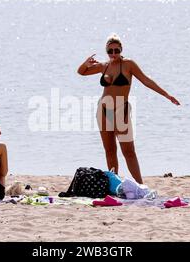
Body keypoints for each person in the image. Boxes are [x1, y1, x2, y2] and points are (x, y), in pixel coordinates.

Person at [77, 34, 180, 184]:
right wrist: (86, 63)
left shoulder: (128, 64)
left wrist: (167, 95)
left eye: (116, 50)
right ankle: (114, 184)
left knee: (129, 151)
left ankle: (140, 185)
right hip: (103, 111)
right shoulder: (103, 66)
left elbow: (146, 80)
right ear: (106, 51)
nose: (113, 54)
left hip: (121, 111)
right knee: (110, 151)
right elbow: (81, 72)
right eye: (110, 51)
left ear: (121, 50)